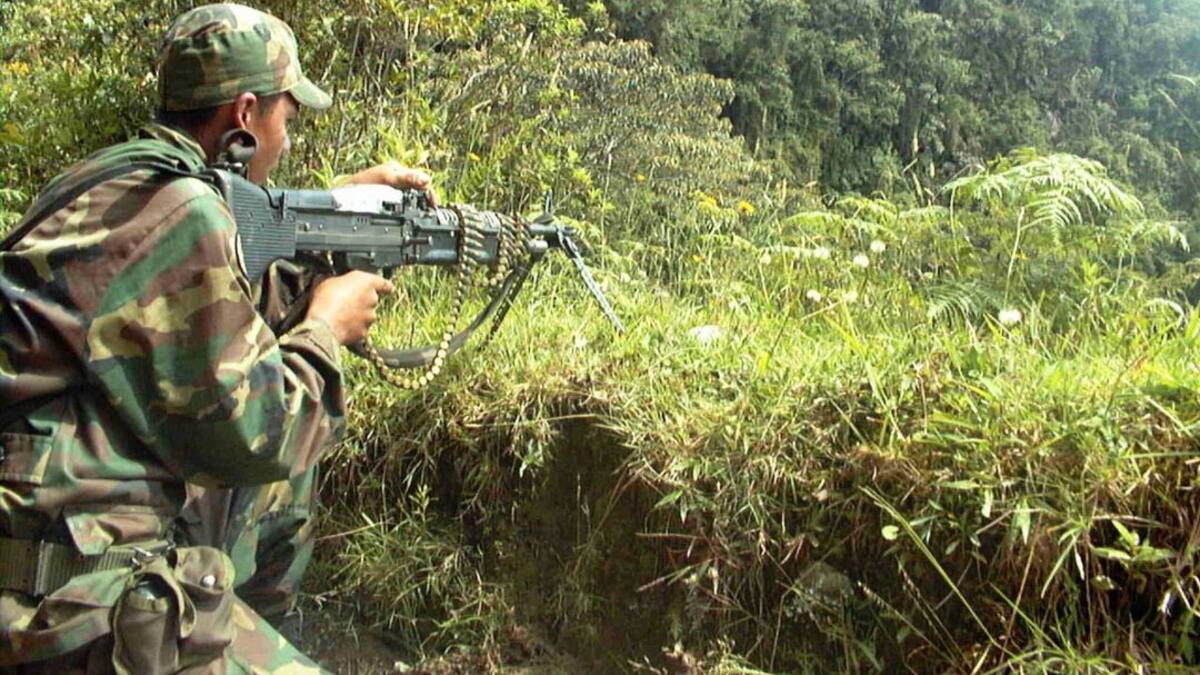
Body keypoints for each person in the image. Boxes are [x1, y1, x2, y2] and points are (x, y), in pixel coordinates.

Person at [0, 4, 429, 671]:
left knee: (281, 492)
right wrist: (325, 329)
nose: (288, 139)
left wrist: (331, 210)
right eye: (287, 119)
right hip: (60, 593)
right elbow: (260, 431)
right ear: (246, 115)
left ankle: (235, 624)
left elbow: (203, 307)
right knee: (280, 460)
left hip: (43, 524)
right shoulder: (185, 210)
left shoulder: (113, 184)